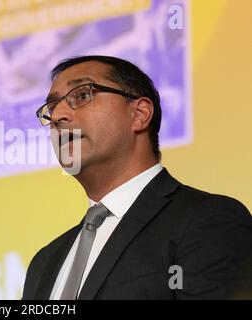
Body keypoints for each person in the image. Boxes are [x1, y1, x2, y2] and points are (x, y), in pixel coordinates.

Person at [22, 55, 252, 300]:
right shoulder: (44, 263)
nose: (58, 115)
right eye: (53, 106)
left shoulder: (208, 221)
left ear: (140, 114)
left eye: (81, 95)